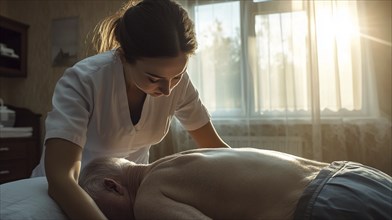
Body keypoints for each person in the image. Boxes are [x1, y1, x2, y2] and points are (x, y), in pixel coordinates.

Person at [31, 0, 229, 219]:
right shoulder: (84, 81)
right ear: (124, 57)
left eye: (177, 76)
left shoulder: (177, 85)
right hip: (74, 196)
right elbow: (62, 180)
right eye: (154, 78)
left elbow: (217, 150)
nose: (167, 89)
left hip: (129, 196)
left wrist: (261, 175)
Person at [79, 148, 392, 220]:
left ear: (113, 185)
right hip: (352, 176)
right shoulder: (177, 159)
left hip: (323, 206)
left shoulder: (148, 198)